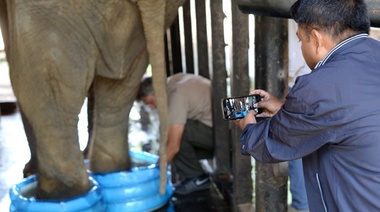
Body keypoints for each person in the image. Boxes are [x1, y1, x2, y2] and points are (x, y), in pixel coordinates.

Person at [235, 0, 380, 211]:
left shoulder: (319, 86)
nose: (302, 46)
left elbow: (268, 143)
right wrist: (287, 108)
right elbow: (352, 110)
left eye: (301, 39)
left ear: (316, 38)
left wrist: (248, 127)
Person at [138, 73, 213, 195]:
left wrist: (154, 172)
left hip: (223, 137)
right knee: (173, 133)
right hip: (218, 128)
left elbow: (173, 146)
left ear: (156, 93)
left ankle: (198, 178)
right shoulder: (172, 81)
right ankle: (191, 176)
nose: (151, 108)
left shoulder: (176, 95)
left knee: (174, 137)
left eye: (150, 102)